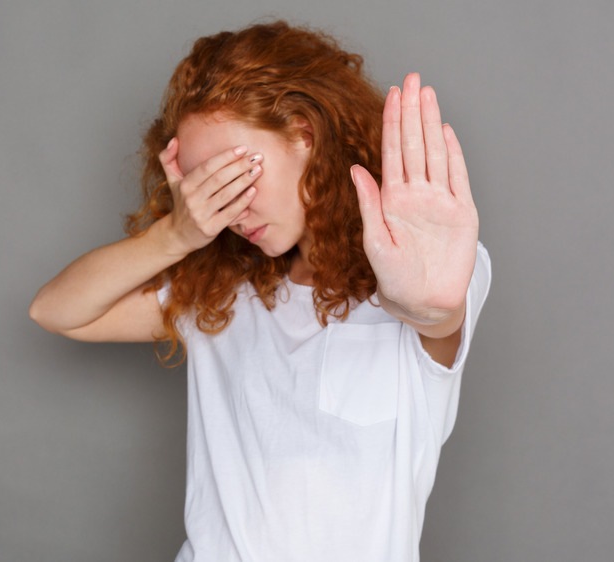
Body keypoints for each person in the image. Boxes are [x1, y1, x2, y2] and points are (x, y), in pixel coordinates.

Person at [30, 20, 491, 562]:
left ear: (304, 134)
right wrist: (173, 235)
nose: (229, 208)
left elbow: (435, 318)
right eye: (209, 188)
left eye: (237, 174)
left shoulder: (428, 275)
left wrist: (429, 305)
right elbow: (57, 312)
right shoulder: (221, 292)